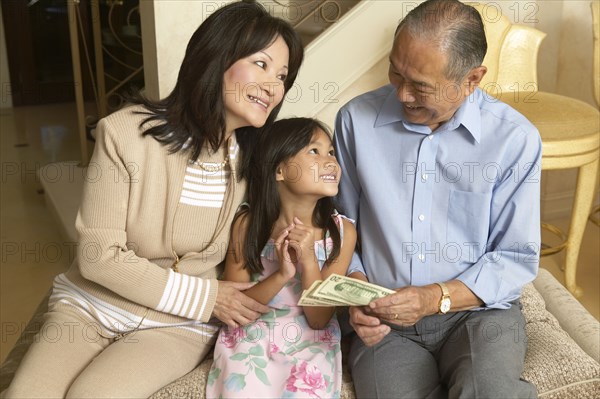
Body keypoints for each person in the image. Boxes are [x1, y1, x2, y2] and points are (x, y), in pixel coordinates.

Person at [3, 1, 303, 398]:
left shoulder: (257, 159)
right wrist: (210, 296)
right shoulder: (124, 134)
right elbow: (98, 256)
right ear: (216, 57)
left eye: (282, 76)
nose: (273, 86)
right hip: (91, 305)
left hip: (177, 324)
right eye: (261, 65)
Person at [334, 0, 542, 397]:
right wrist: (356, 292)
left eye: (421, 86)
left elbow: (515, 257)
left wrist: (434, 298)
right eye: (396, 72)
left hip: (478, 313)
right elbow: (343, 227)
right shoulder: (354, 121)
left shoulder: (514, 140)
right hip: (386, 321)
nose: (402, 94)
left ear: (472, 79)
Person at [206, 118, 357, 399]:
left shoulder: (341, 232)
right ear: (279, 169)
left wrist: (309, 261)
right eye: (314, 151)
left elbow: (319, 319)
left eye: (331, 153)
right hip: (253, 332)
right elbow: (237, 310)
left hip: (311, 339)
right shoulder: (248, 224)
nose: (331, 162)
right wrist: (282, 275)